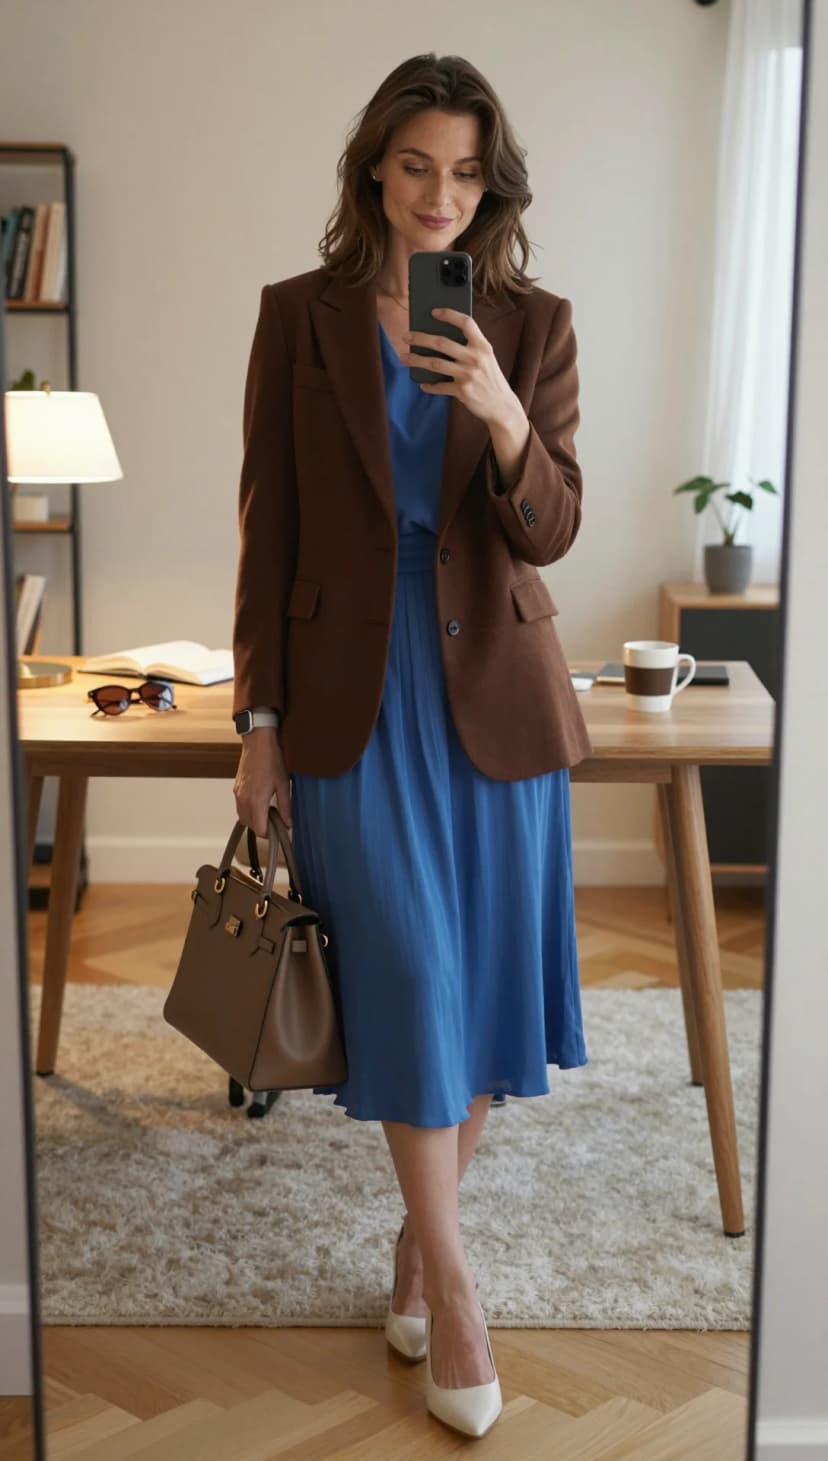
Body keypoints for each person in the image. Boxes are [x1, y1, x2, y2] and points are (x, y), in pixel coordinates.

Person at [232, 52, 593, 1440]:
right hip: (346, 696)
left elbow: (551, 525)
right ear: (373, 172)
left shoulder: (535, 322)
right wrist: (256, 727)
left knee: (486, 997)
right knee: (412, 975)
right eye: (413, 166)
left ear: (488, 181)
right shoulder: (299, 319)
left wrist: (500, 409)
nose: (440, 194)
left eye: (464, 170)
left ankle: (412, 1237)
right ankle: (454, 1282)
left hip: (495, 694)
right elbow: (269, 531)